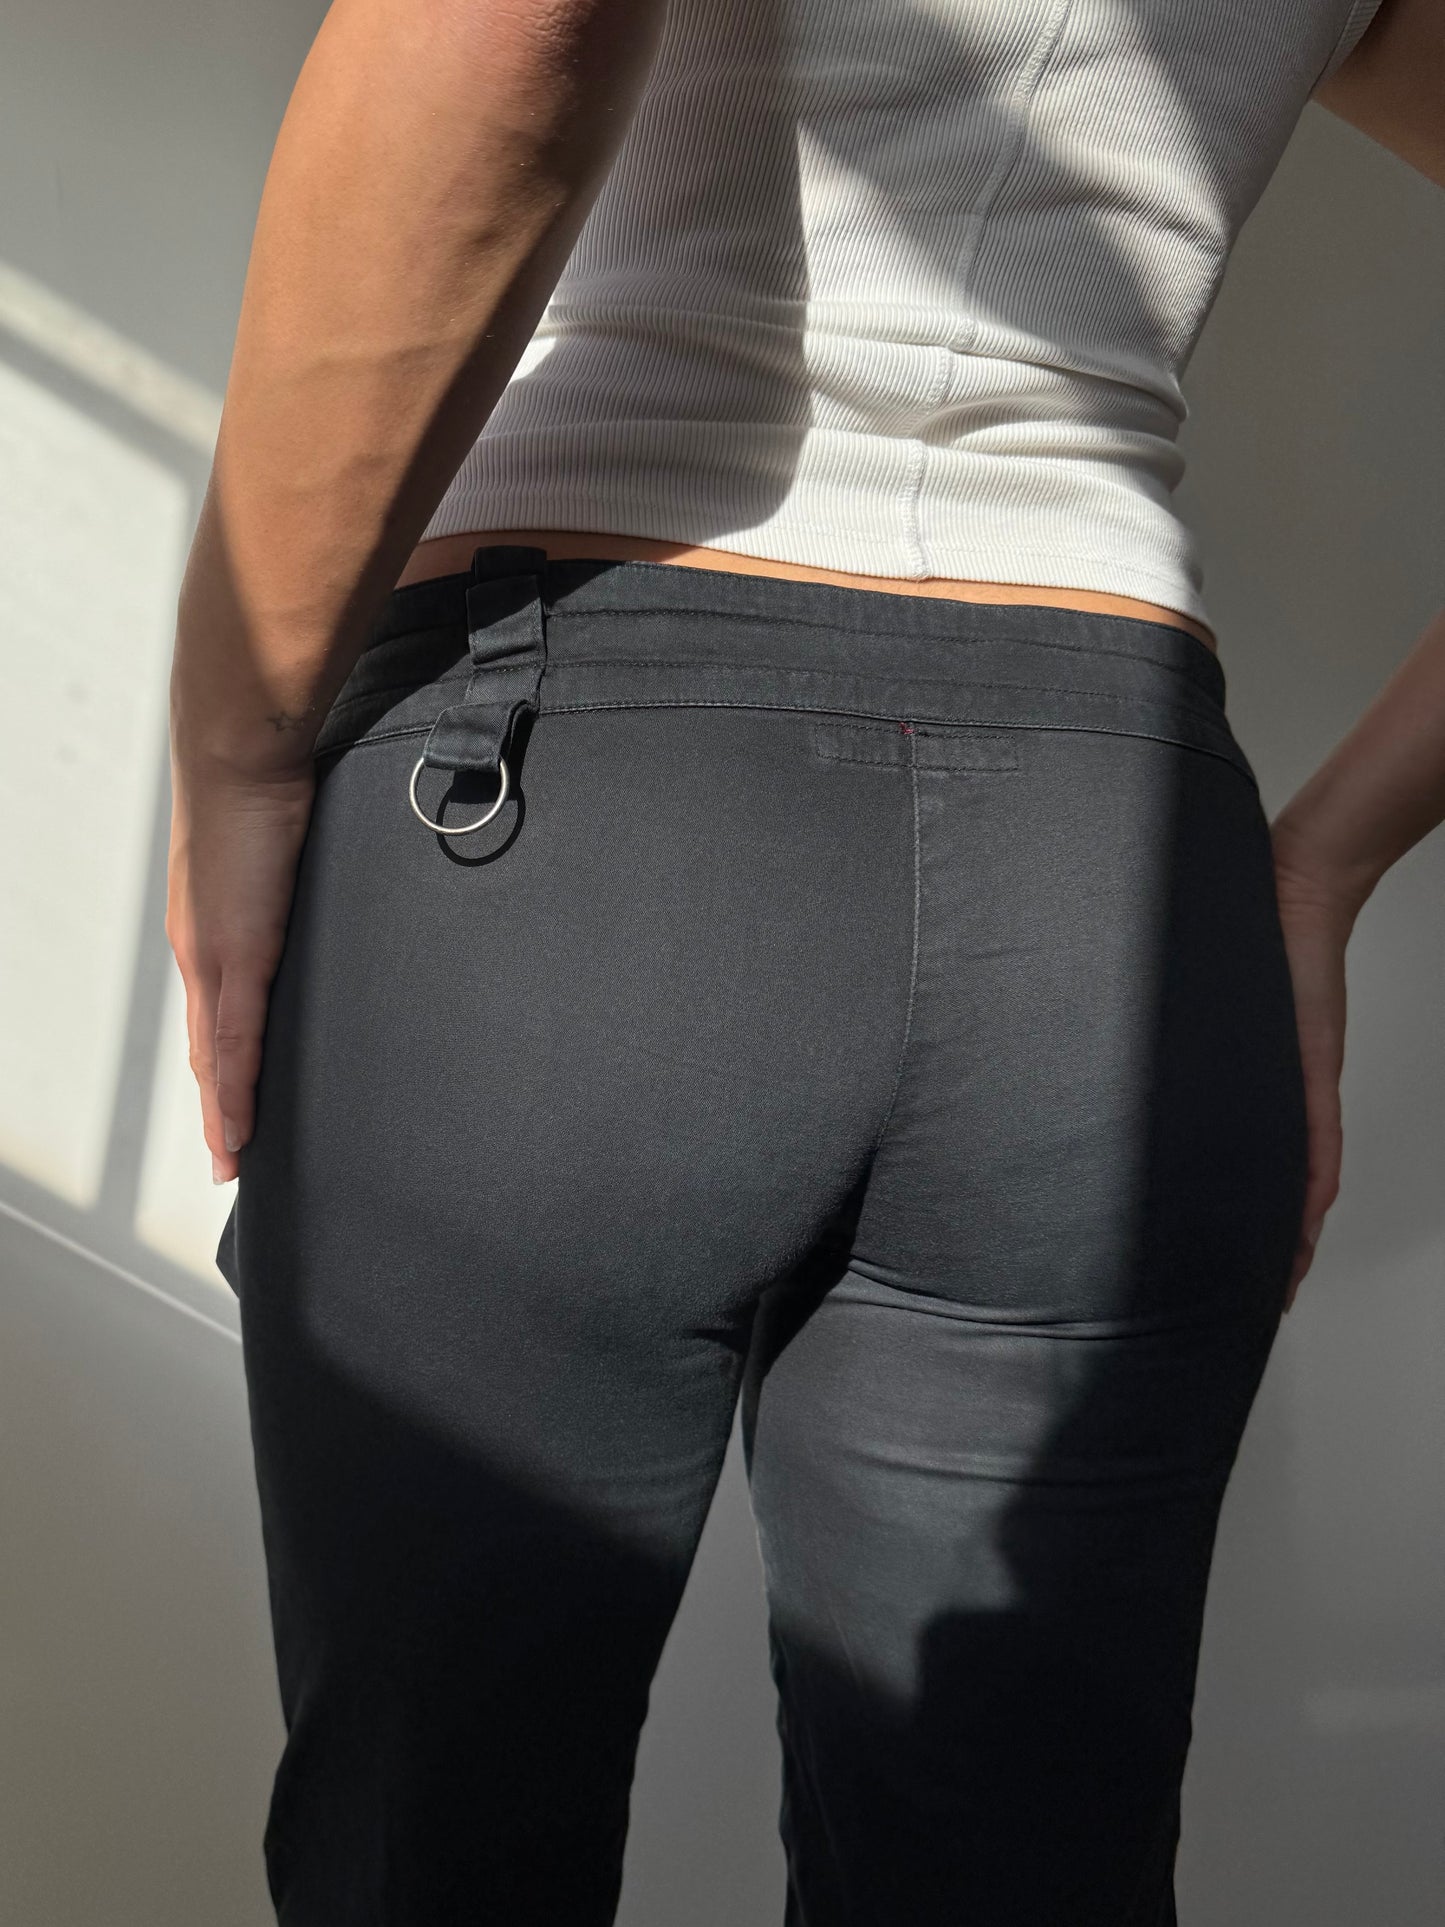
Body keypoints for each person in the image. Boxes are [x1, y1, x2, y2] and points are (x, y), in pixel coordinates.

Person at [165, 0, 1443, 1919]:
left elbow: (510, 25)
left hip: (575, 791)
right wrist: (1322, 863)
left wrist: (238, 739)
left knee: (429, 1854)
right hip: (1107, 863)